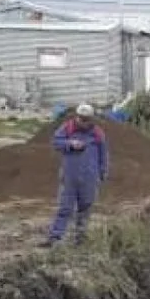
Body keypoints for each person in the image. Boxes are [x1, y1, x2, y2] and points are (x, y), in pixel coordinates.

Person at [43, 105, 109, 246]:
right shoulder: (67, 128)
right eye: (81, 119)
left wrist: (103, 172)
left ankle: (80, 237)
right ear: (76, 117)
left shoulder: (97, 133)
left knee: (85, 207)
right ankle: (55, 237)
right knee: (65, 207)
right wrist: (70, 144)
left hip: (90, 177)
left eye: (87, 119)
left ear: (92, 119)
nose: (83, 122)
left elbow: (103, 155)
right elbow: (56, 142)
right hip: (69, 176)